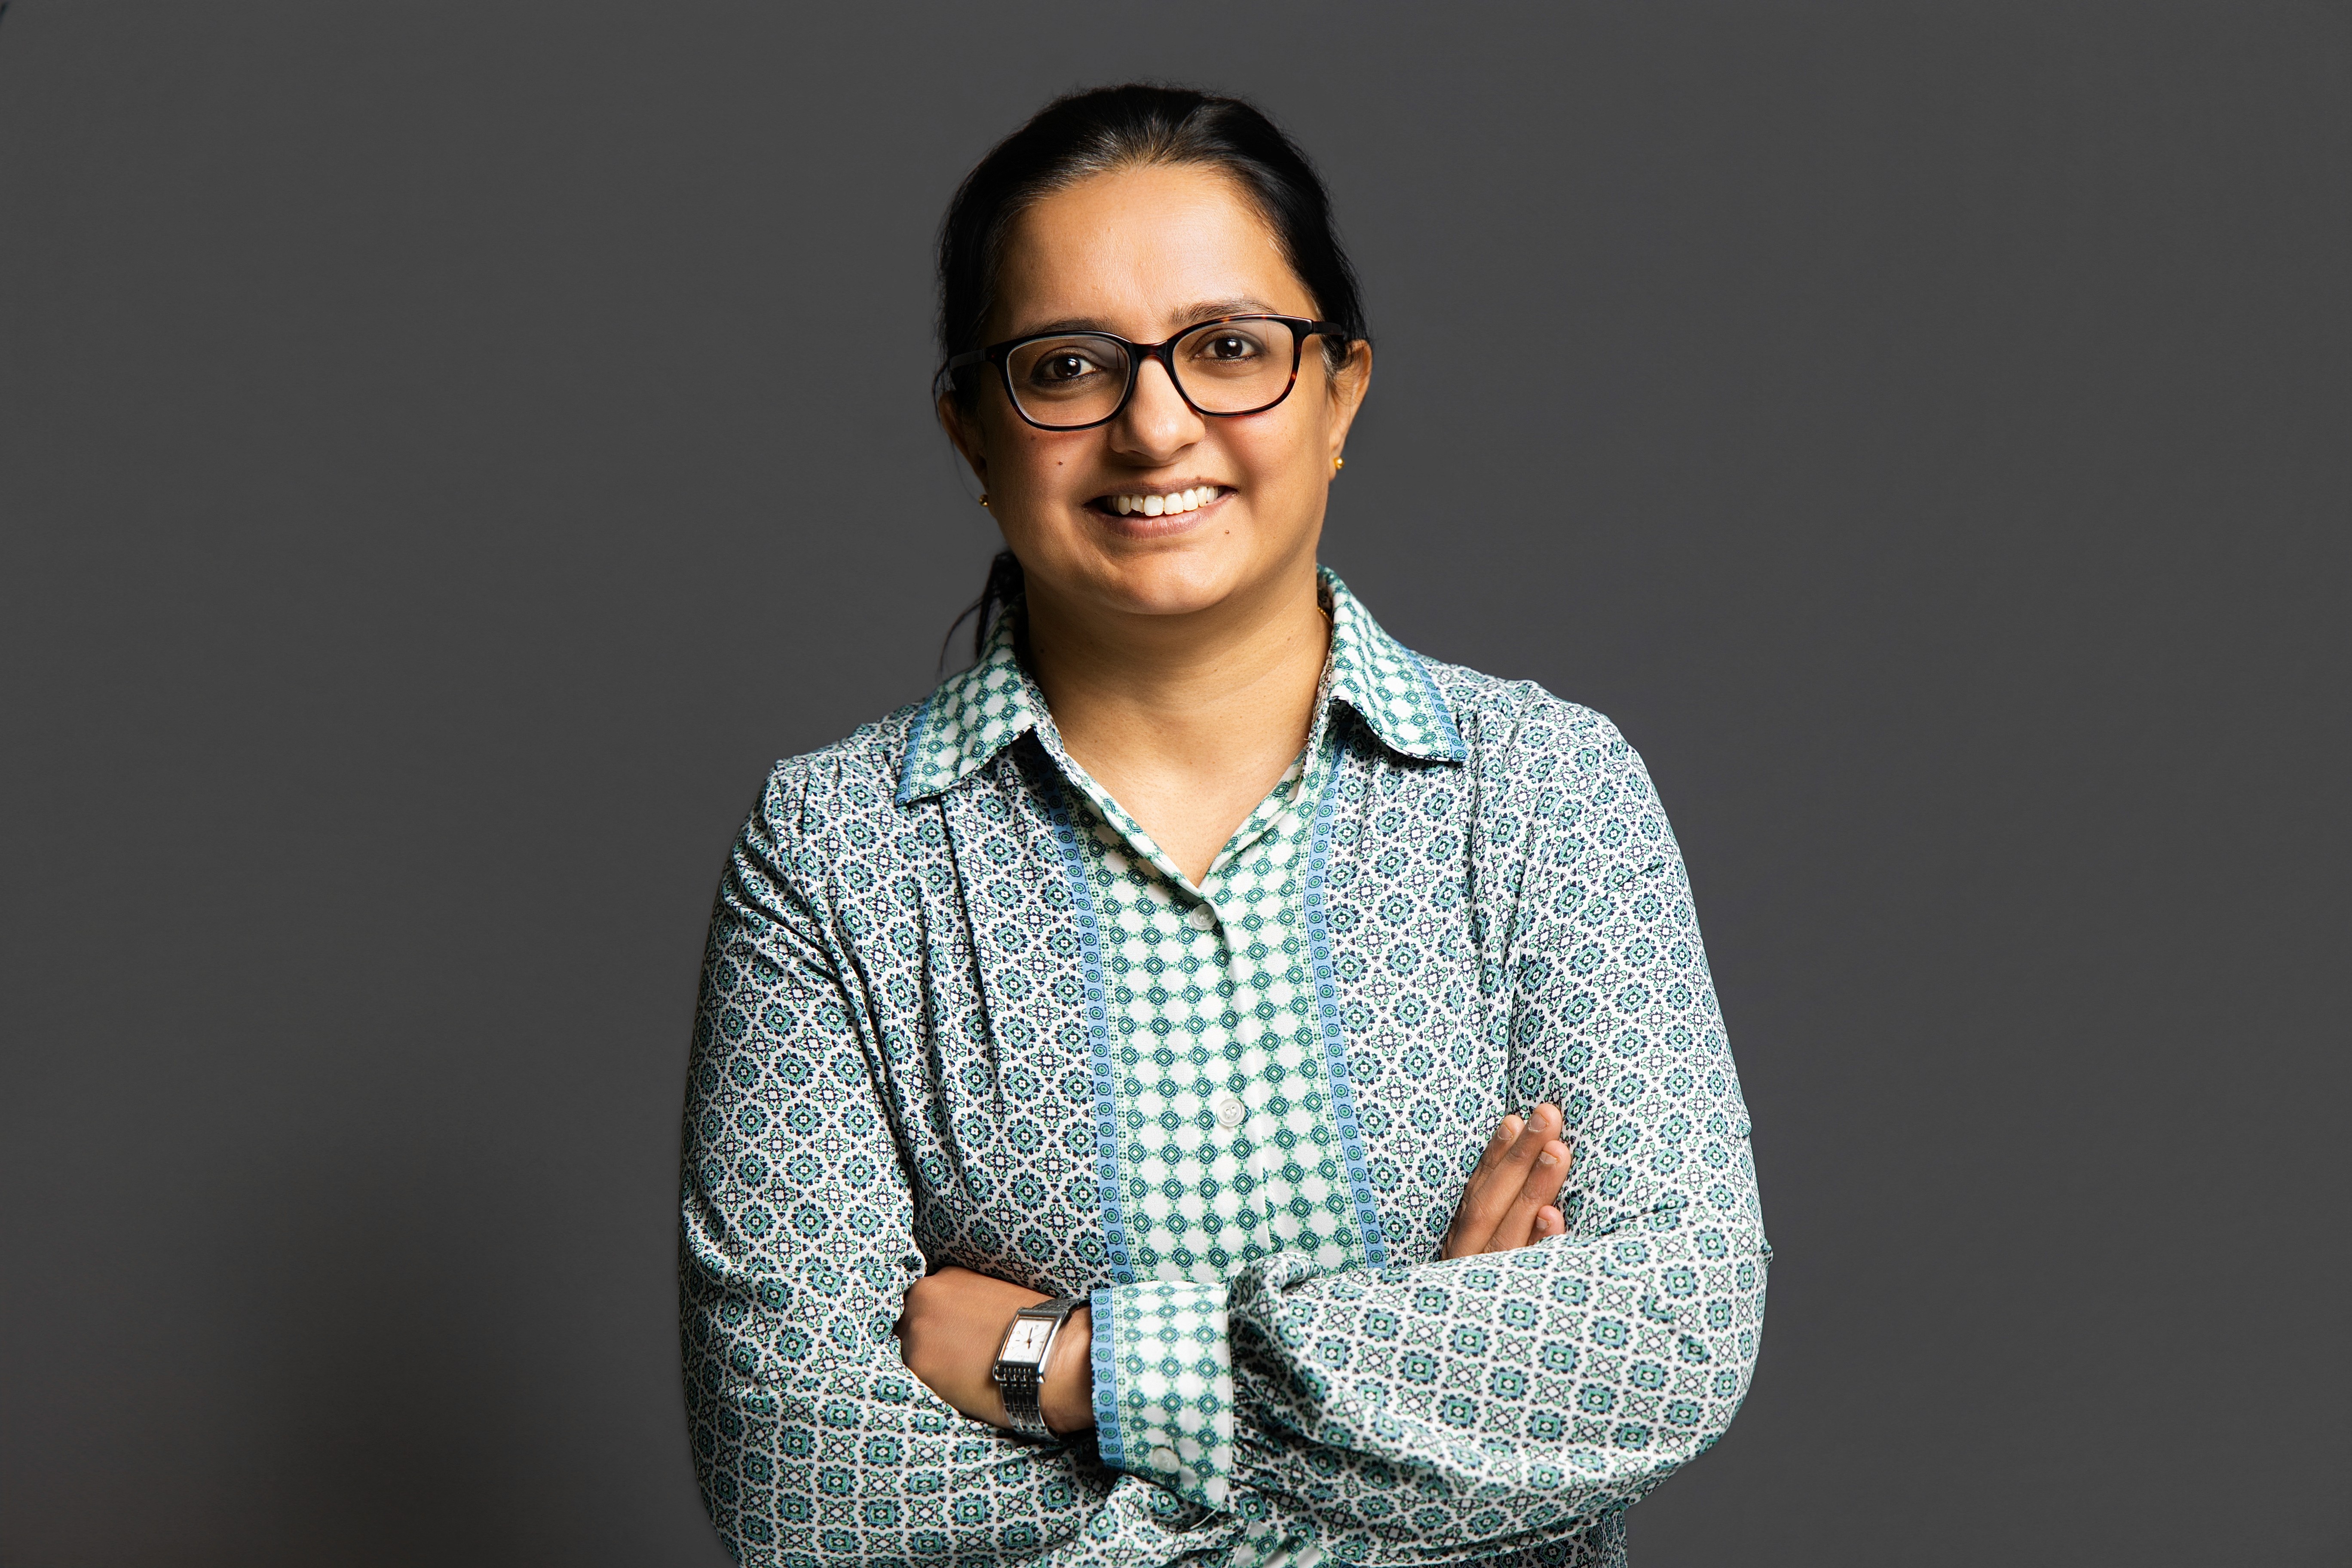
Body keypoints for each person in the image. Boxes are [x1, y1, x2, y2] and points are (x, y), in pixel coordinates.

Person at [679, 84, 1767, 1568]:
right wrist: (1436, 1404)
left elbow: (1671, 1337)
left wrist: (1069, 1368)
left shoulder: (1545, 791)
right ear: (973, 432)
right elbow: (801, 1484)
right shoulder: (834, 853)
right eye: (1068, 367)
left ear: (1341, 392)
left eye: (1231, 349)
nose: (1155, 425)